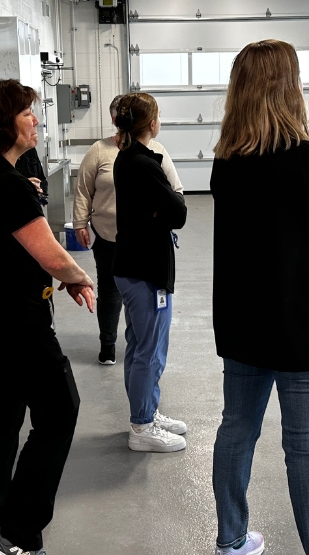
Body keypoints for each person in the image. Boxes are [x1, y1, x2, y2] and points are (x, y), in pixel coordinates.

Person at [209, 39, 309, 555]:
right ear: (289, 88)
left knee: (237, 430)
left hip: (244, 322)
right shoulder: (306, 160)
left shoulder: (227, 164)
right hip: (300, 325)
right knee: (307, 451)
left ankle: (232, 539)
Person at [0, 78, 96, 555]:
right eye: (26, 114)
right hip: (17, 323)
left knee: (2, 416)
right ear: (3, 123)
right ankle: (17, 531)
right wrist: (79, 277)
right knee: (60, 409)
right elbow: (53, 256)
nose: (36, 120)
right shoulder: (6, 184)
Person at [74, 94, 183, 365]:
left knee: (136, 306)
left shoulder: (153, 152)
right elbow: (83, 189)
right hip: (107, 234)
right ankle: (108, 344)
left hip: (140, 239)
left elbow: (175, 190)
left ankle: (132, 350)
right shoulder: (101, 151)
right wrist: (80, 222)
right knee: (109, 293)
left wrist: (166, 207)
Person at [111, 92, 189, 453]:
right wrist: (165, 207)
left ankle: (146, 411)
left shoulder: (132, 159)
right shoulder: (142, 164)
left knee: (141, 346)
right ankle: (142, 426)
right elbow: (179, 211)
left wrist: (163, 208)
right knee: (149, 349)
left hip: (135, 266)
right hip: (145, 272)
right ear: (151, 123)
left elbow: (168, 209)